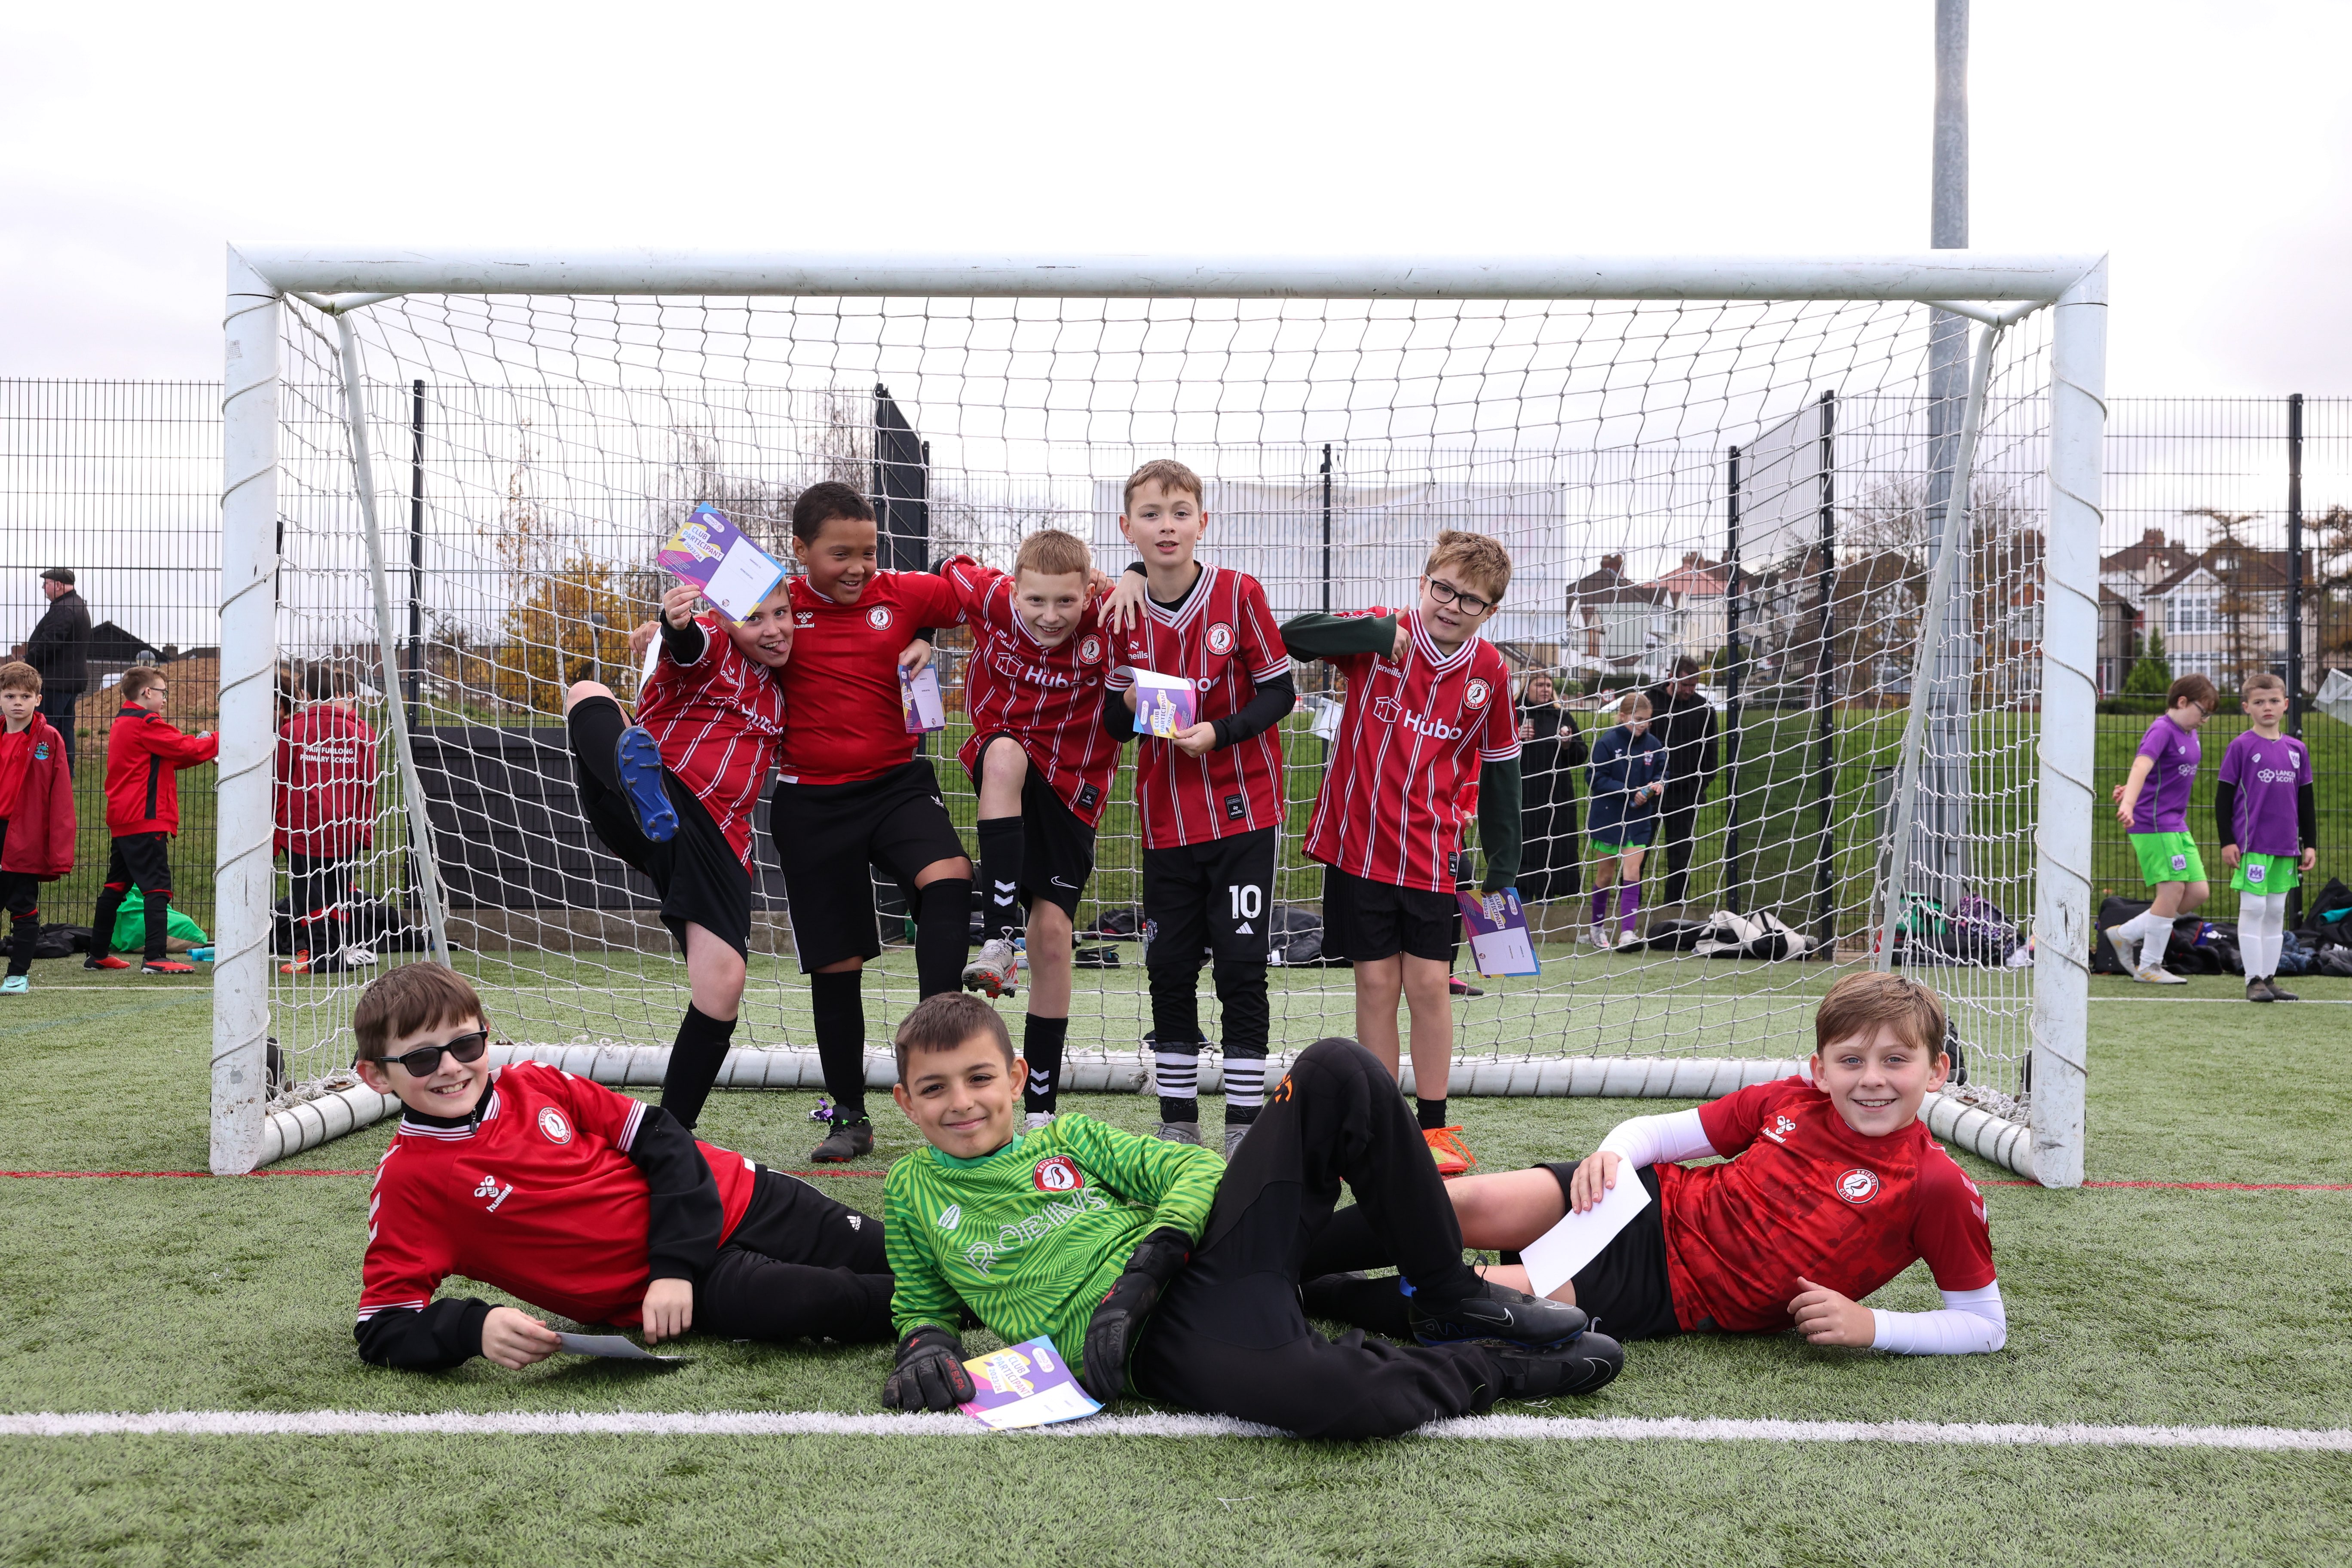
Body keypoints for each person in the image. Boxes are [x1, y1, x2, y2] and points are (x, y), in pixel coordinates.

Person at [875, 993, 1622, 1439]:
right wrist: (923, 1347)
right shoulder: (911, 1190)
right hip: (1156, 1346)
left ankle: (1448, 1296)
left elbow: (1195, 1169)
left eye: (978, 1078)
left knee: (1336, 1066)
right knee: (1340, 1404)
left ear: (1014, 1078)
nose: (961, 1103)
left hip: (1201, 1259)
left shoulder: (1067, 1138)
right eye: (935, 1088)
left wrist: (1145, 1269)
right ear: (906, 1101)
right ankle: (1496, 1366)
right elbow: (922, 1302)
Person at [1301, 971, 2006, 1357]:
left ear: (1936, 1071)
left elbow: (1982, 1324)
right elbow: (1659, 1134)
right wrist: (1613, 1153)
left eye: (1895, 1060)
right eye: (1851, 1060)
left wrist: (1871, 1325)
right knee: (1457, 1205)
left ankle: (1315, 1294)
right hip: (1635, 1200)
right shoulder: (1788, 1099)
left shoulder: (1935, 1184)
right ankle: (1277, 1251)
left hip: (1665, 1288)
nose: (1872, 1079)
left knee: (1471, 1296)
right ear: (1820, 1068)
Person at [352, 963, 894, 1370]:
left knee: (903, 1253)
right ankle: (940, 1310)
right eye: (422, 1058)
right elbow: (381, 1326)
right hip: (694, 1286)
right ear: (376, 1075)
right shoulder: (409, 1182)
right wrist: (474, 1326)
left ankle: (952, 1300)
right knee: (820, 1301)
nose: (451, 1068)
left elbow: (664, 1138)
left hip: (741, 1198)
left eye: (466, 1045)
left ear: (486, 1035)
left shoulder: (536, 1082)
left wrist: (671, 1268)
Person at [1278, 531, 1524, 1176]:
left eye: (1470, 600)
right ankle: (1380, 1125)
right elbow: (1293, 636)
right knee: (1375, 983)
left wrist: (1504, 868)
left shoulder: (1492, 672)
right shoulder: (1381, 635)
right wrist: (1374, 634)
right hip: (1359, 849)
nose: (1452, 605)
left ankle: (1434, 1128)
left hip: (1432, 851)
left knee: (1430, 985)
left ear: (1490, 611)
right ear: (1424, 582)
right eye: (1443, 588)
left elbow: (1502, 769)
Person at [768, 480, 974, 1164]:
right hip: (811, 802)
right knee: (839, 966)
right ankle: (849, 1117)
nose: (858, 568)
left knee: (950, 879)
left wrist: (928, 637)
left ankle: (937, 1051)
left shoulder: (904, 595)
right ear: (800, 551)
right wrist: (671, 629)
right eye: (840, 555)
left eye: (868, 552)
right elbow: (704, 627)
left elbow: (975, 592)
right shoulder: (773, 602)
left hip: (895, 786)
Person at [1097, 460, 1293, 1157]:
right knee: (1169, 968)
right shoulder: (1120, 611)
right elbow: (1114, 723)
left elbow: (1281, 693)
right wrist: (1128, 700)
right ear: (1128, 528)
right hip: (1166, 824)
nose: (1167, 526)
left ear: (1202, 522)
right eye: (1150, 514)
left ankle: (1244, 1125)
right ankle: (1178, 1121)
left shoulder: (1240, 593)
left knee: (1241, 968)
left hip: (1244, 815)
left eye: (1180, 512)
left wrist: (1221, 731)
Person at [572, 575, 793, 1133]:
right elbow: (691, 644)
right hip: (671, 795)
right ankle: (636, 783)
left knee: (722, 987)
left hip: (717, 839)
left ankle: (670, 1134)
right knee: (587, 692)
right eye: (754, 618)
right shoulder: (715, 646)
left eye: (781, 614)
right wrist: (675, 627)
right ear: (724, 619)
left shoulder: (785, 683)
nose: (772, 629)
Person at [937, 531, 1120, 1127]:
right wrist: (917, 636)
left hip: (1075, 787)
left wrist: (1136, 578)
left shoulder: (1113, 612)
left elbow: (1167, 612)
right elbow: (942, 570)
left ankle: (1041, 1113)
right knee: (1003, 756)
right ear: (1013, 590)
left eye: (1065, 601)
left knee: (1053, 937)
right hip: (1010, 763)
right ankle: (998, 938)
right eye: (1035, 600)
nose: (1050, 616)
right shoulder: (988, 596)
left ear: (1088, 592)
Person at [86, 665, 216, 975]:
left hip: (125, 819)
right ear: (147, 692)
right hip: (145, 818)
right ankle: (156, 957)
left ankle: (97, 954)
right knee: (157, 888)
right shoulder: (146, 722)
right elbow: (183, 747)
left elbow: (170, 756)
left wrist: (203, 746)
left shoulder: (124, 722)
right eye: (163, 692)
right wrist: (219, 739)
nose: (165, 699)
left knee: (115, 887)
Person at [2104, 674, 2218, 985]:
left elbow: (2161, 773)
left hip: (2175, 822)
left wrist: (2132, 790)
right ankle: (2149, 966)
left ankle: (2125, 934)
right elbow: (2142, 765)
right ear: (2182, 702)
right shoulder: (2162, 729)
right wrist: (2129, 803)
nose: (2205, 720)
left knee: (2198, 892)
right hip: (2153, 823)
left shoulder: (2190, 732)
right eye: (2203, 712)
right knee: (2172, 889)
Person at [2216, 671, 2317, 1003]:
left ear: (2286, 704)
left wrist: (2310, 844)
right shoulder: (2241, 747)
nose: (2267, 707)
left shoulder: (2297, 750)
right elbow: (2223, 799)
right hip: (2252, 845)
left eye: (2274, 701)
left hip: (2286, 846)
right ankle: (2253, 980)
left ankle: (2270, 978)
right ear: (2247, 707)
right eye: (2259, 702)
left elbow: (2306, 801)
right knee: (2254, 908)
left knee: (2275, 911)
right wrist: (2227, 841)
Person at [274, 665, 379, 975]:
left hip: (304, 829)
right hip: (346, 829)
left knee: (308, 893)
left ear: (303, 694)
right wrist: (365, 830)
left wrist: (277, 830)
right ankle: (336, 954)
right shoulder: (363, 732)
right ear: (336, 692)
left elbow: (280, 783)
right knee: (338, 892)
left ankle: (320, 957)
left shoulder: (292, 731)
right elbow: (370, 785)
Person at [0, 662, 75, 995]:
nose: (18, 702)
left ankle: (17, 975)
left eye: (25, 696)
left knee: (23, 905)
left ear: (38, 699)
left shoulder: (50, 739)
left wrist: (58, 850)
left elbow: (61, 798)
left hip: (26, 836)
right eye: (10, 695)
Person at [1584, 690, 1666, 950]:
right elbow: (1594, 778)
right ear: (1622, 717)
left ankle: (1628, 933)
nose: (1643, 725)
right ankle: (1597, 927)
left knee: (1633, 872)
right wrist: (1629, 791)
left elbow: (1663, 772)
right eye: (1638, 719)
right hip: (1609, 818)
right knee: (1606, 875)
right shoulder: (1607, 743)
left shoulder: (1654, 745)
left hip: (1639, 820)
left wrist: (1657, 785)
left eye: (1647, 720)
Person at [1642, 655, 1718, 910]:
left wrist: (1700, 785)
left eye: (1693, 685)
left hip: (1685, 793)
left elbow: (1711, 754)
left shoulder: (1704, 709)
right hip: (1649, 792)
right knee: (1638, 851)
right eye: (1685, 684)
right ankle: (1629, 909)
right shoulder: (1650, 701)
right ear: (1671, 678)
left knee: (1680, 856)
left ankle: (1673, 911)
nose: (1689, 690)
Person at [1515, 672, 1586, 904]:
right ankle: (1522, 903)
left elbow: (1581, 755)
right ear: (1527, 688)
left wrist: (1568, 744)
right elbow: (1494, 750)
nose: (1545, 689)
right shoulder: (1514, 713)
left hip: (1557, 799)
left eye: (1548, 685)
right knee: (1524, 851)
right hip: (1523, 796)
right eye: (1540, 685)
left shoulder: (1561, 716)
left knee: (1554, 852)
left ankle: (1548, 904)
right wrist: (1516, 739)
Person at [24, 569, 91, 773]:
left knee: (46, 727)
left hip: (56, 680)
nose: (44, 588)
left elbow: (50, 643)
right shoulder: (76, 605)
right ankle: (65, 772)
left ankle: (44, 771)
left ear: (59, 585)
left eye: (47, 584)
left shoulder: (64, 609)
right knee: (64, 729)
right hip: (68, 679)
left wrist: (28, 664)